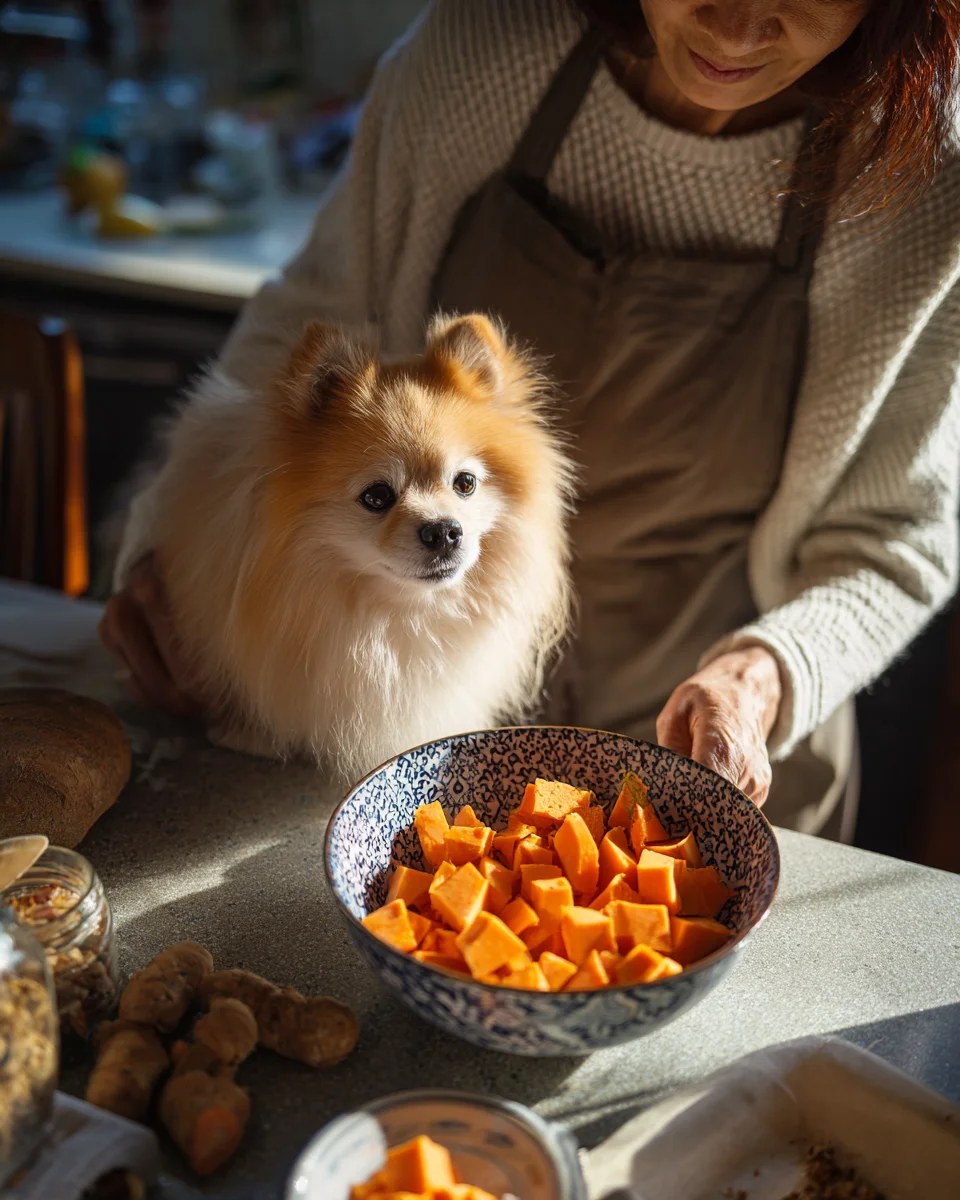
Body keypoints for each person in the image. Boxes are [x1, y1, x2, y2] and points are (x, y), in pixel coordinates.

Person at [100, 0, 960, 835]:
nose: (735, 27)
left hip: (715, 760)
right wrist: (173, 552)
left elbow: (900, 537)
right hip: (413, 718)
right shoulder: (486, 50)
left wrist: (765, 675)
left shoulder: (919, 170)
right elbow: (290, 354)